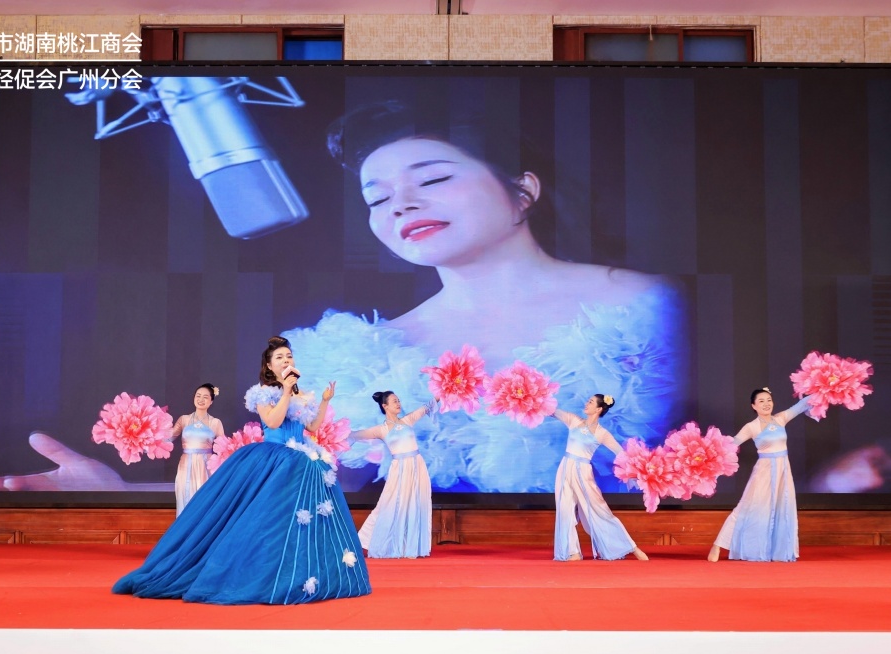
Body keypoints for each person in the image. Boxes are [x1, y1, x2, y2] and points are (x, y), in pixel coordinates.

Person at [287, 101, 687, 493]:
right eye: (377, 199)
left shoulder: (646, 305)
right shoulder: (361, 357)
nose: (401, 205)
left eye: (433, 179)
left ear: (523, 190)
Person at [113, 336, 372, 604]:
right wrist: (285, 391)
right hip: (276, 461)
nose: (286, 360)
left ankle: (303, 574)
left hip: (303, 460)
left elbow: (313, 427)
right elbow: (273, 422)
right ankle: (261, 576)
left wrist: (325, 401)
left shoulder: (301, 394)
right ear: (269, 366)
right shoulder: (263, 393)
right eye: (280, 357)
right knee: (268, 522)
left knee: (302, 520)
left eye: (289, 356)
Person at [708, 388, 815, 563]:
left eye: (769, 400)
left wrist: (825, 389)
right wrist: (711, 456)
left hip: (783, 470)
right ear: (754, 406)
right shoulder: (751, 427)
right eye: (761, 401)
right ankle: (718, 545)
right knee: (746, 507)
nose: (766, 404)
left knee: (782, 507)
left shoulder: (781, 418)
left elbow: (802, 405)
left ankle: (775, 550)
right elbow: (731, 444)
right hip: (764, 472)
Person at [552, 394, 650, 562]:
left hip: (583, 471)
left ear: (598, 409)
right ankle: (572, 552)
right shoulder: (573, 420)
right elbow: (551, 410)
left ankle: (631, 547)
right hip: (565, 467)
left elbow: (621, 453)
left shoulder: (602, 433)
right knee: (564, 510)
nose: (586, 403)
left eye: (590, 402)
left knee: (599, 509)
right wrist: (532, 399)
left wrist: (640, 470)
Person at [350, 391, 434, 558]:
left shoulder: (408, 420)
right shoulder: (381, 430)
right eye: (394, 401)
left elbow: (426, 407)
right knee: (388, 504)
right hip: (400, 469)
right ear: (385, 406)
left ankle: (408, 546)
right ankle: (366, 541)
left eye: (399, 400)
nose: (398, 403)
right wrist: (332, 433)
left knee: (416, 504)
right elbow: (355, 435)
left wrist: (443, 393)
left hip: (417, 466)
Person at [171, 383, 224, 515]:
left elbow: (224, 447)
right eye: (198, 396)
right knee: (185, 497)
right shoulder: (184, 419)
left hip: (206, 466)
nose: (201, 399)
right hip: (185, 465)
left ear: (211, 401)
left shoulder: (215, 422)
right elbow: (168, 438)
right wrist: (149, 439)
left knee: (204, 501)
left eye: (205, 397)